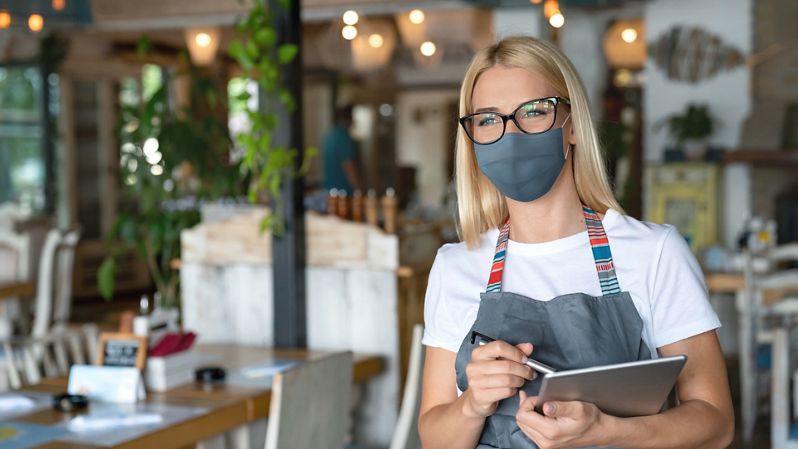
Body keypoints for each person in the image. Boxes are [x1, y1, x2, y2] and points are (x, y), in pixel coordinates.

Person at [418, 36, 734, 449]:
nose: (510, 134)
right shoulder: (455, 265)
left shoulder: (653, 253)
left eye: (534, 112)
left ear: (572, 127)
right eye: (488, 119)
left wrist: (607, 430)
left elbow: (717, 425)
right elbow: (433, 438)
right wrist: (472, 404)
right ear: (472, 138)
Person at [322, 105, 362, 194]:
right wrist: (359, 189)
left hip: (329, 191)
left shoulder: (330, 136)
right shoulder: (344, 138)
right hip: (344, 193)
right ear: (349, 118)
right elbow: (349, 166)